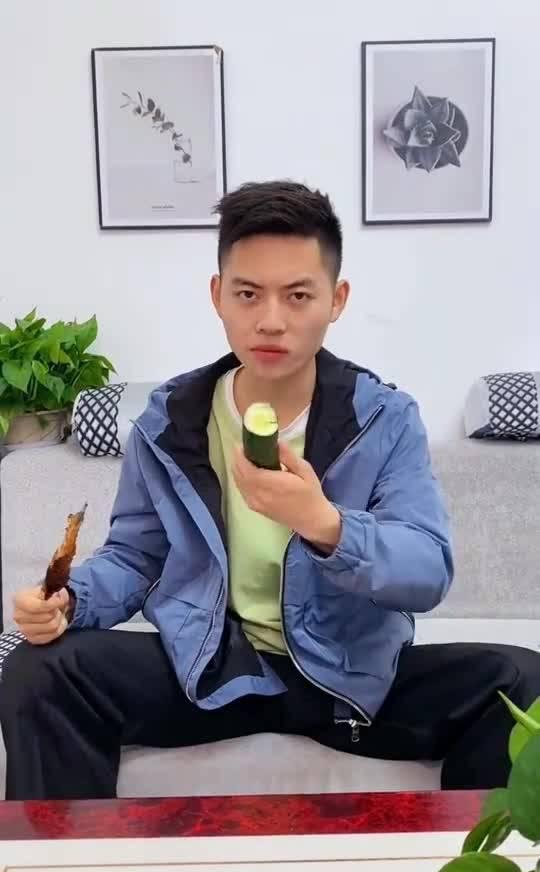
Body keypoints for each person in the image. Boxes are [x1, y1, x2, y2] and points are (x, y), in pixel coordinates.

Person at [2, 180, 539, 800]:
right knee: (40, 670)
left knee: (522, 682)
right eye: (248, 293)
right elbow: (135, 557)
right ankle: (66, 860)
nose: (271, 320)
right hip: (212, 668)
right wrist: (69, 600)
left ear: (336, 300)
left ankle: (463, 862)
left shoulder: (383, 418)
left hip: (349, 680)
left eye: (298, 295)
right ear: (218, 296)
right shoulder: (169, 421)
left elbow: (427, 571)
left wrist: (327, 525)